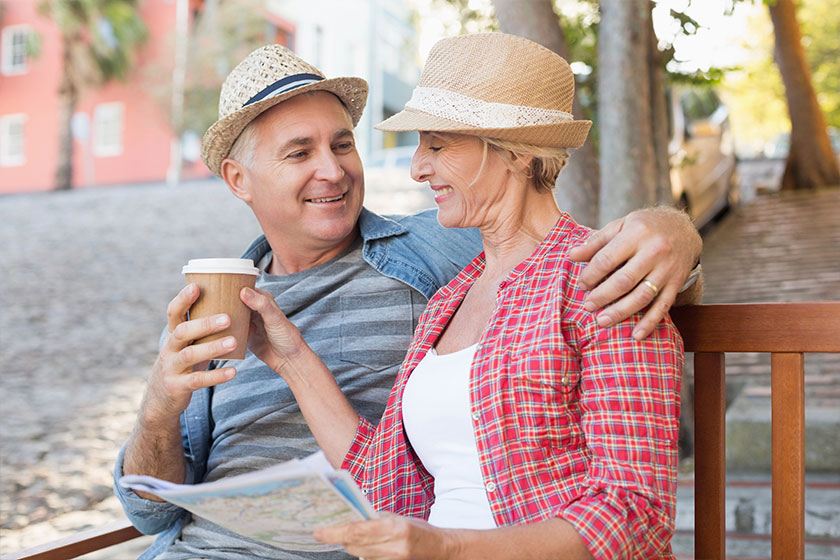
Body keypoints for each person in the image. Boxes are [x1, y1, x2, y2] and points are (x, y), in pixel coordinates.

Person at [115, 41, 700, 560]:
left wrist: (676, 233)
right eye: (299, 153)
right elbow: (386, 484)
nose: (416, 168)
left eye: (438, 145)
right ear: (237, 179)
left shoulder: (531, 267)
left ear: (518, 151)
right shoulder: (453, 297)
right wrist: (268, 362)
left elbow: (636, 515)